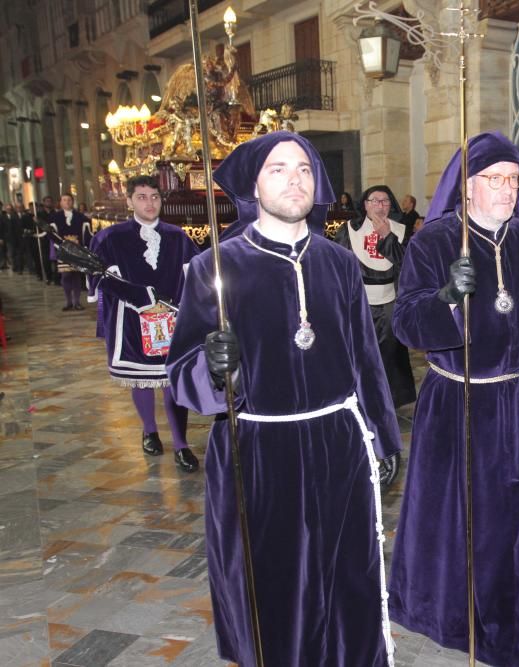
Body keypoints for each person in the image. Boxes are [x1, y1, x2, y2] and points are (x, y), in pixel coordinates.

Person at [166, 131, 401, 666]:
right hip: (257, 452)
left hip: (339, 445)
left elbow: (366, 359)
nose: (294, 179)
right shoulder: (214, 269)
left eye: (303, 169)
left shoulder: (339, 263)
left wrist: (384, 439)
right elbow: (180, 374)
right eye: (278, 169)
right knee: (274, 589)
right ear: (254, 184)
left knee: (348, 582)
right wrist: (213, 367)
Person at [389, 131, 519, 667]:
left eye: (514, 179)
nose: (506, 189)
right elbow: (404, 324)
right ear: (467, 185)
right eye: (494, 179)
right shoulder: (433, 242)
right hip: (459, 401)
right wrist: (447, 298)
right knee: (462, 518)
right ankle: (460, 615)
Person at [88, 176, 200, 471]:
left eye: (154, 196)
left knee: (172, 382)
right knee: (142, 379)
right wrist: (140, 296)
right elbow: (99, 276)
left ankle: (181, 444)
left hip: (172, 321)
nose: (149, 203)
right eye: (141, 197)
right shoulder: (110, 238)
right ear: (129, 201)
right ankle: (149, 430)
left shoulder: (179, 237)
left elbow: (196, 274)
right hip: (131, 321)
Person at [332, 184, 416, 409]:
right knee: (360, 353)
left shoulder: (400, 229)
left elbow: (408, 265)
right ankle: (357, 398)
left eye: (385, 201)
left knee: (389, 354)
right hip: (358, 303)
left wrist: (387, 236)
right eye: (374, 201)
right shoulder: (348, 229)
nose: (380, 206)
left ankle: (387, 401)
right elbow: (337, 266)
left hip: (389, 300)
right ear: (365, 205)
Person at [49, 194, 92, 310]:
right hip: (63, 250)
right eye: (64, 200)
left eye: (69, 200)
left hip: (77, 250)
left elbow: (87, 234)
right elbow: (52, 234)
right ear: (61, 202)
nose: (67, 202)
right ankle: (68, 301)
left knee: (76, 275)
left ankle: (77, 301)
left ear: (73, 202)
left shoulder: (80, 217)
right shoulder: (55, 217)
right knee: (66, 275)